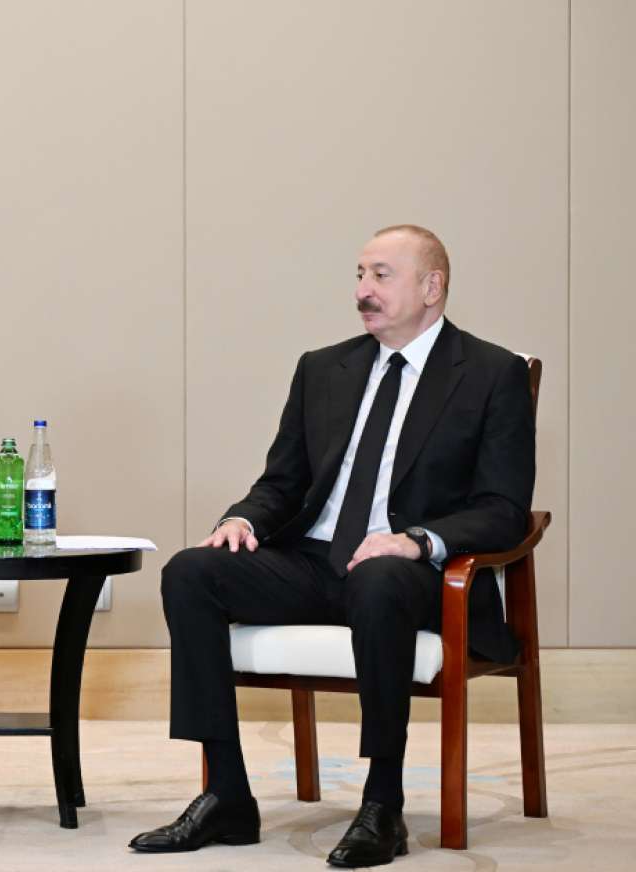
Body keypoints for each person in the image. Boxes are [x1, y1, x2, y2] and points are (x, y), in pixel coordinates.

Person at [129, 225, 534, 867]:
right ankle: (227, 794)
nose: (362, 291)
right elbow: (282, 483)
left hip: (414, 574)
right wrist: (244, 520)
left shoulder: (490, 373)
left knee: (378, 577)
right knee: (191, 572)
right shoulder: (323, 369)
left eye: (381, 275)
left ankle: (382, 804)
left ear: (432, 286)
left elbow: (505, 509)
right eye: (359, 275)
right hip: (316, 562)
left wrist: (418, 541)